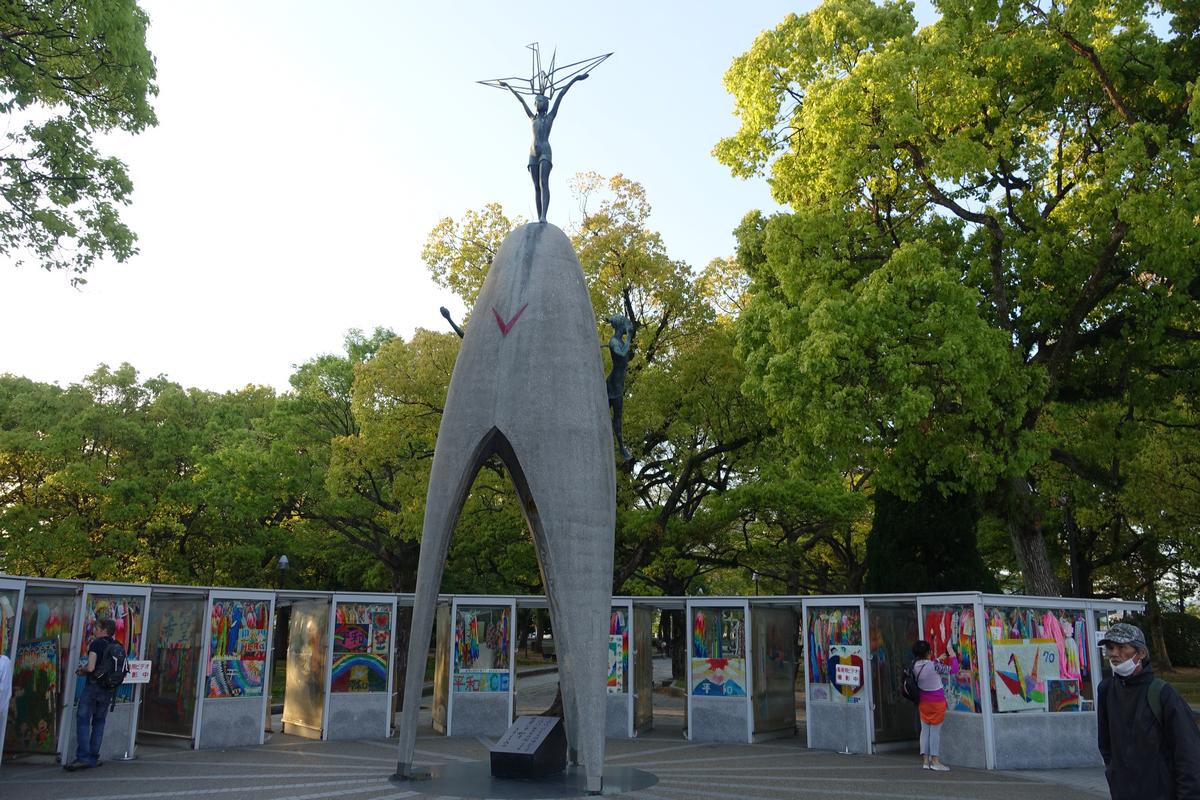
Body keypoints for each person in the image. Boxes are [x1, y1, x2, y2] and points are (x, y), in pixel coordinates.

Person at [1097, 622, 1200, 799]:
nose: (1114, 654)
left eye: (1122, 647)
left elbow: (1189, 754)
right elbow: (1105, 744)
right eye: (1110, 648)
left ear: (1141, 653)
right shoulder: (1106, 690)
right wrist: (1115, 774)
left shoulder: (1163, 694)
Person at [499, 73, 588, 223]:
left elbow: (561, 94)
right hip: (532, 153)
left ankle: (543, 216)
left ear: (545, 104)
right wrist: (508, 87)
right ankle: (539, 216)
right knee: (536, 186)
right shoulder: (532, 117)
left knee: (543, 182)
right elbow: (521, 100)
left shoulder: (550, 117)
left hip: (545, 152)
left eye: (540, 100)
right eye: (536, 100)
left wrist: (575, 79)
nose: (538, 102)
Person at [65, 618, 118, 771]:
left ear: (103, 630)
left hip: (93, 688)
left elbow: (91, 667)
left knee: (83, 720)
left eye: (97, 628)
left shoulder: (96, 644)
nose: (94, 630)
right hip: (108, 690)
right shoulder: (116, 645)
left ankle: (83, 757)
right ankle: (94, 757)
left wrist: (80, 670)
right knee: (99, 722)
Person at [911, 639, 958, 771]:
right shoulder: (934, 666)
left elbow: (928, 666)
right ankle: (936, 761)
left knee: (925, 731)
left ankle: (926, 761)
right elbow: (954, 670)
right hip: (937, 702)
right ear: (929, 652)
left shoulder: (914, 665)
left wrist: (937, 659)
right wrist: (952, 655)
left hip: (923, 703)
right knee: (935, 732)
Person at [604, 314, 633, 461]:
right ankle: (621, 447)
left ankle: (620, 447)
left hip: (618, 386)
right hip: (612, 386)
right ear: (621, 326)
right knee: (610, 417)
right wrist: (629, 338)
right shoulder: (614, 342)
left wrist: (629, 338)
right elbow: (621, 355)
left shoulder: (621, 342)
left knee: (617, 418)